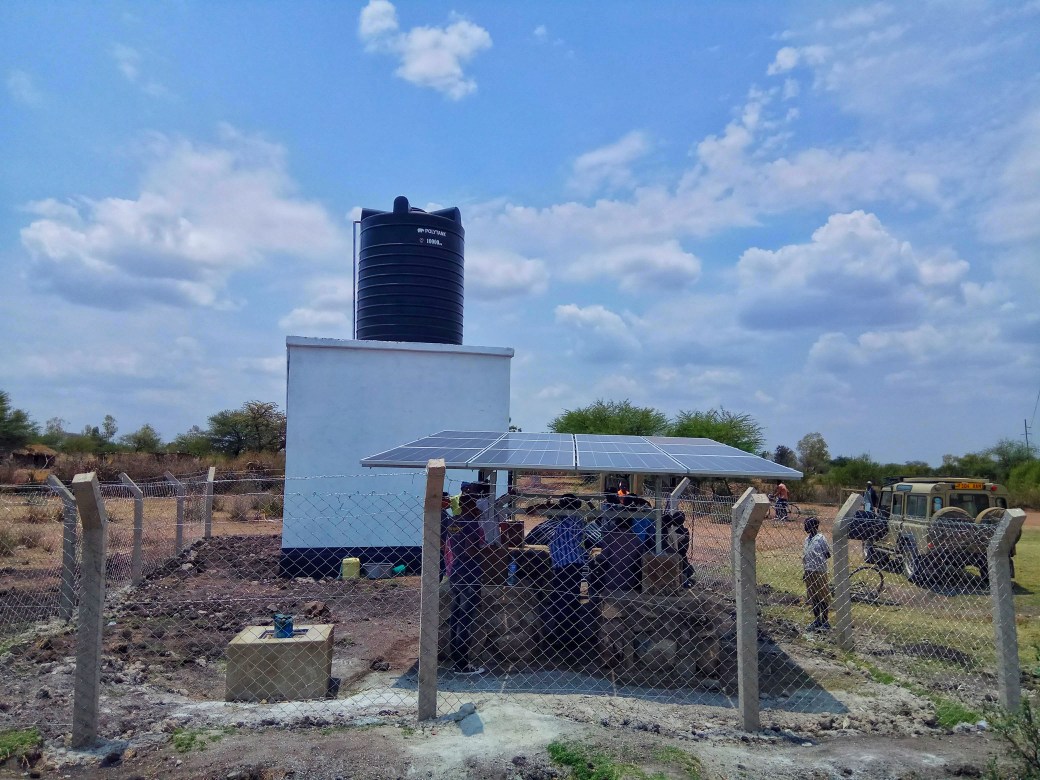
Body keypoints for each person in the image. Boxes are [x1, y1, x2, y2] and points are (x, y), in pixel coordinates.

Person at [542, 494, 588, 656]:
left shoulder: (570, 517)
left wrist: (547, 506)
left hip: (566, 565)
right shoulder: (574, 519)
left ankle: (565, 639)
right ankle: (570, 637)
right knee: (568, 601)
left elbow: (552, 512)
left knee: (562, 602)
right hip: (570, 564)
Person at [444, 493, 484, 674]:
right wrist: (484, 552)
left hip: (455, 572)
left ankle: (456, 660)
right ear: (467, 505)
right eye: (474, 503)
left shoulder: (453, 522)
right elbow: (470, 549)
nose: (477, 508)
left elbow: (451, 545)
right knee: (465, 619)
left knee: (456, 616)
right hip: (470, 574)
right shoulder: (471, 523)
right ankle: (463, 664)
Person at [590, 514, 643, 593]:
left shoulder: (610, 537)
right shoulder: (636, 540)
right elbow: (640, 564)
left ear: (617, 523)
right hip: (630, 583)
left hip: (609, 582)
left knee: (591, 570)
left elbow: (602, 560)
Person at [802, 516, 832, 632]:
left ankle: (825, 621)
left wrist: (817, 560)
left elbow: (827, 554)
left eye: (807, 525)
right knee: (813, 597)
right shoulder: (806, 539)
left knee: (823, 596)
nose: (805, 527)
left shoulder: (821, 538)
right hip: (809, 571)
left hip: (819, 571)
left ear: (814, 526)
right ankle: (817, 620)